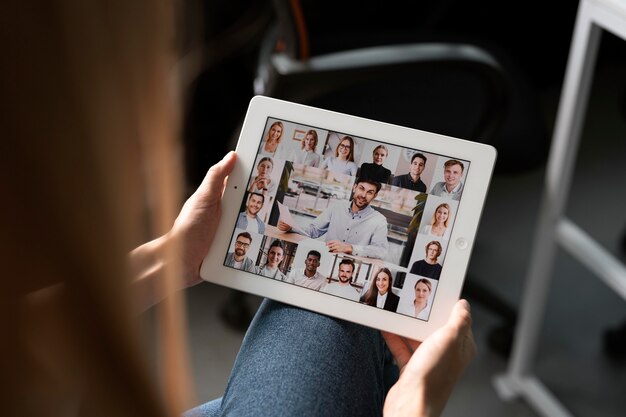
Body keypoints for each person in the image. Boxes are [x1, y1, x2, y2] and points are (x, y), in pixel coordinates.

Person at [6, 2, 477, 416]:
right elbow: (316, 228)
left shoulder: (373, 222)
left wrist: (175, 256)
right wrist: (414, 408)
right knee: (328, 313)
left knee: (317, 305)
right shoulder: (338, 206)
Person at [277, 178, 389, 259]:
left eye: (370, 192)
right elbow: (313, 231)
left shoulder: (379, 220)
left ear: (375, 196)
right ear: (354, 187)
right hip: (325, 260)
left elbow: (381, 251)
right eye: (361, 188)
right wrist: (291, 227)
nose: (364, 195)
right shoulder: (337, 206)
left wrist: (350, 248)